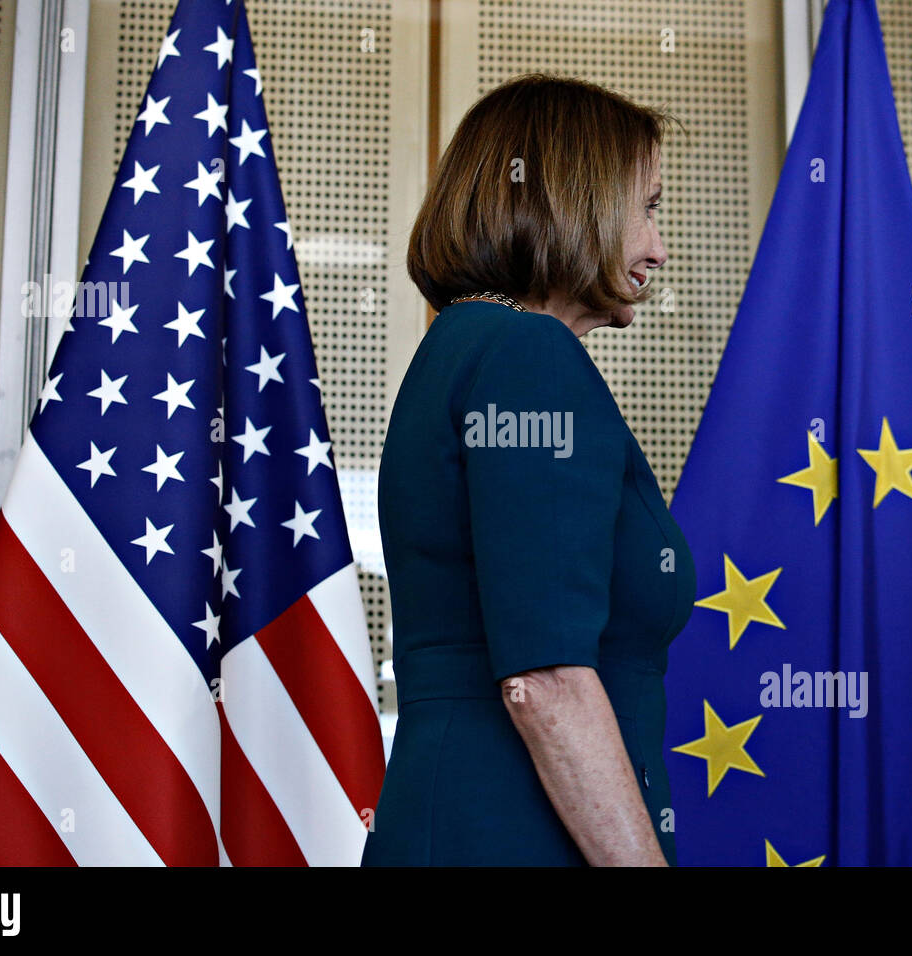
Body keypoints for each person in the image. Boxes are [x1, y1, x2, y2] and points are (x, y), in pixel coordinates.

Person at [360, 72, 695, 866]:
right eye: (646, 206)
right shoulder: (527, 356)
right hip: (516, 836)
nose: (659, 246)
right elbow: (542, 681)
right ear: (571, 198)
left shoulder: (465, 346)